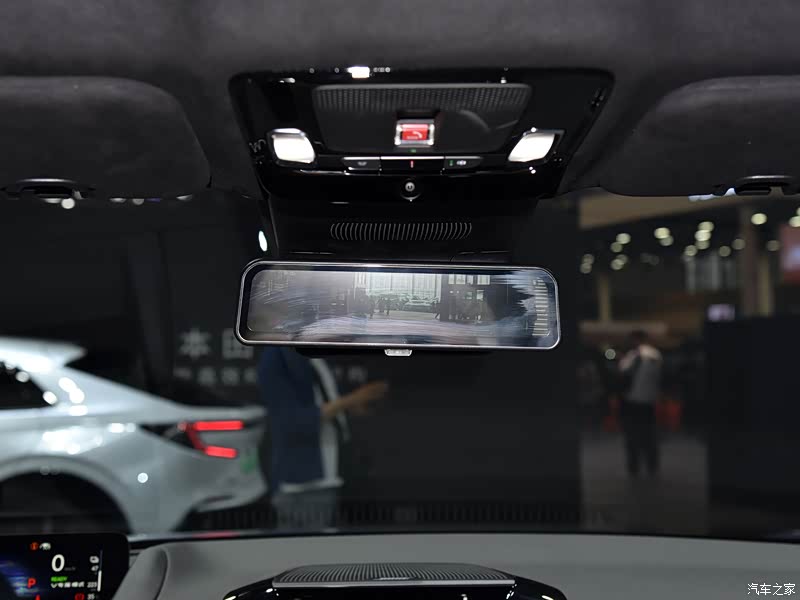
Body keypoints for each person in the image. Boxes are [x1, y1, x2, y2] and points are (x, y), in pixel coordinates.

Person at [258, 347, 388, 529]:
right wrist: (352, 400)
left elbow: (324, 402)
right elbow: (292, 422)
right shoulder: (277, 356)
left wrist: (352, 406)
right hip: (302, 484)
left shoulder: (318, 355)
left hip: (333, 474)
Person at [618, 330, 662, 478]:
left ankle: (635, 465)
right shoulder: (654, 355)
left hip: (634, 400)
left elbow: (623, 372)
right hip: (646, 401)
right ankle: (650, 465)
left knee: (634, 435)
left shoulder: (635, 355)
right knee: (648, 435)